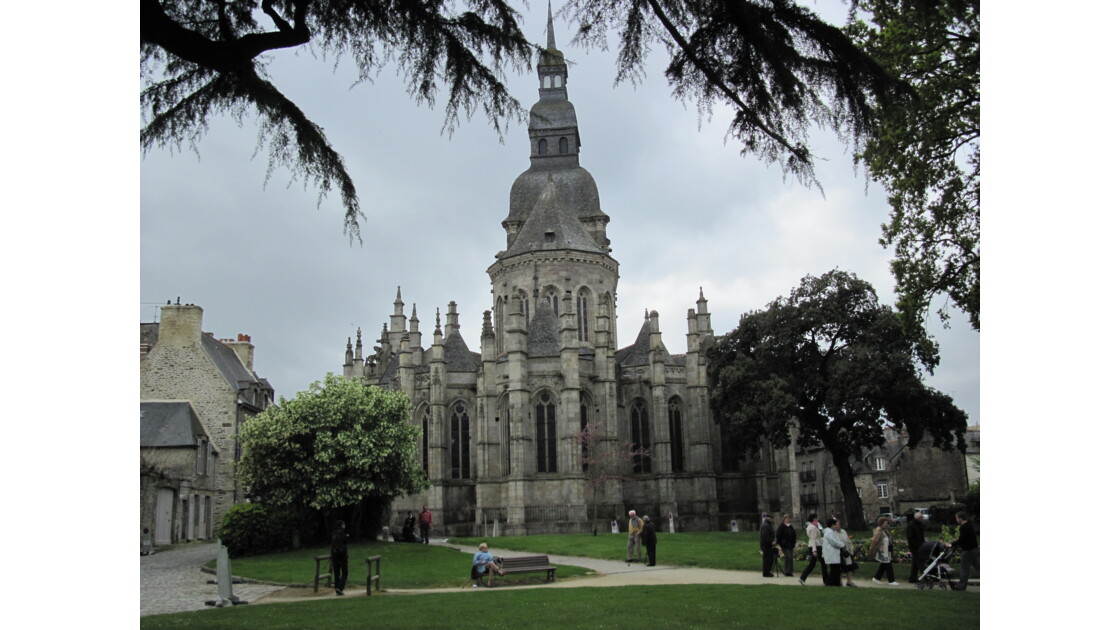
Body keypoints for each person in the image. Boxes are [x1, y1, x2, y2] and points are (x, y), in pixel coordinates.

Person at [950, 511, 979, 591]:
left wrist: (952, 544)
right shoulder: (970, 525)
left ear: (960, 518)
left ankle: (961, 587)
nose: (956, 520)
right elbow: (967, 537)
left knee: (964, 569)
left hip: (967, 551)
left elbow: (962, 540)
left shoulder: (963, 527)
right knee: (978, 566)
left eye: (956, 518)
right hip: (975, 549)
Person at [869, 516, 899, 585]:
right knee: (888, 565)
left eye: (887, 523)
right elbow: (874, 540)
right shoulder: (879, 530)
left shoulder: (885, 530)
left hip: (887, 549)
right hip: (883, 550)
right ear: (881, 523)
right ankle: (891, 580)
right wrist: (873, 547)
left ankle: (876, 578)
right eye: (886, 523)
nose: (887, 524)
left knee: (884, 564)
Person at [798, 513, 827, 586]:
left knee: (813, 564)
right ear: (814, 519)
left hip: (814, 545)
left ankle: (802, 578)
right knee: (822, 563)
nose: (818, 519)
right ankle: (826, 580)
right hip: (816, 546)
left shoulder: (811, 526)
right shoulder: (813, 527)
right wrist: (814, 550)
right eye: (816, 518)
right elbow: (813, 539)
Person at [821, 517, 845, 586]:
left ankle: (836, 583)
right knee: (834, 569)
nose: (836, 526)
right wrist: (842, 545)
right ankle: (829, 582)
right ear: (832, 525)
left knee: (836, 569)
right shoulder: (829, 533)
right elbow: (834, 542)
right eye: (835, 524)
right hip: (831, 553)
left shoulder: (830, 532)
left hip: (833, 553)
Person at [906, 510, 927, 583]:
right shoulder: (911, 525)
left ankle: (912, 577)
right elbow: (910, 538)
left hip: (920, 546)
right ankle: (925, 576)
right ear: (918, 518)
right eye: (922, 517)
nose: (923, 519)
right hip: (915, 547)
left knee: (915, 563)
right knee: (920, 562)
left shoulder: (919, 525)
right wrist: (915, 546)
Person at [330, 519, 349, 596]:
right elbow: (345, 542)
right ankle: (340, 587)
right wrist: (347, 537)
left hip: (334, 555)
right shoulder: (343, 533)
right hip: (342, 555)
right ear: (341, 525)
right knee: (345, 572)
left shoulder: (333, 533)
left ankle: (337, 587)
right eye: (344, 524)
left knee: (336, 572)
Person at [759, 512, 779, 577]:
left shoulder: (767, 524)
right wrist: (771, 542)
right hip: (766, 545)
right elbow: (765, 536)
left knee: (769, 559)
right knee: (768, 559)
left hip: (767, 545)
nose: (773, 520)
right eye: (772, 519)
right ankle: (766, 573)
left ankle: (767, 572)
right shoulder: (766, 525)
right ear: (769, 518)